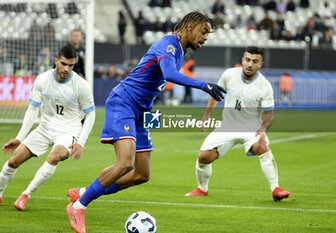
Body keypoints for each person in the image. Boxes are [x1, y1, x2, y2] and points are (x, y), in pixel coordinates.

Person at [65, 11, 226, 233]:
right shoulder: (168, 44)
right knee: (125, 163)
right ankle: (79, 206)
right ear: (189, 26)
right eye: (204, 31)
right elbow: (168, 74)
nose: (206, 37)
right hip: (124, 102)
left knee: (141, 174)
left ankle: (84, 192)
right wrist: (203, 85)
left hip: (141, 112)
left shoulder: (180, 51)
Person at [185, 46, 290, 202]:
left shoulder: (265, 86)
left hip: (251, 127)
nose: (250, 64)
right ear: (242, 60)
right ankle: (202, 189)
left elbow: (269, 114)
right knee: (204, 157)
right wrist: (206, 115)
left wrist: (263, 129)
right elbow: (216, 95)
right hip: (227, 126)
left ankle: (276, 189)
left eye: (254, 61)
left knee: (262, 146)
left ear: (260, 64)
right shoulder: (229, 75)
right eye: (247, 60)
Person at [0, 45, 95, 211]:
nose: (67, 69)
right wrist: (20, 137)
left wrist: (81, 142)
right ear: (56, 60)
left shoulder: (81, 85)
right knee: (14, 160)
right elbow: (33, 109)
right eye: (64, 64)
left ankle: (25, 195)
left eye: (71, 65)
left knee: (54, 156)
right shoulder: (42, 80)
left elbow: (91, 115)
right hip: (44, 128)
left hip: (69, 131)